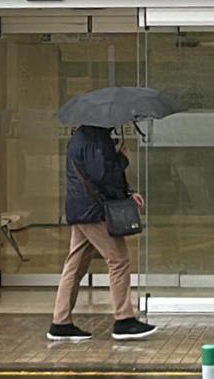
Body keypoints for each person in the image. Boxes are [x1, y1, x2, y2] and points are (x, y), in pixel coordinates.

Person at [48, 125, 157, 342]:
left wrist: (128, 192)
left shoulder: (85, 136)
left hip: (83, 209)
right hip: (94, 211)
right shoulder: (94, 139)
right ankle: (124, 319)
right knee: (119, 260)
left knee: (75, 264)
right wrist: (122, 159)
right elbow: (103, 174)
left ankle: (60, 322)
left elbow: (100, 174)